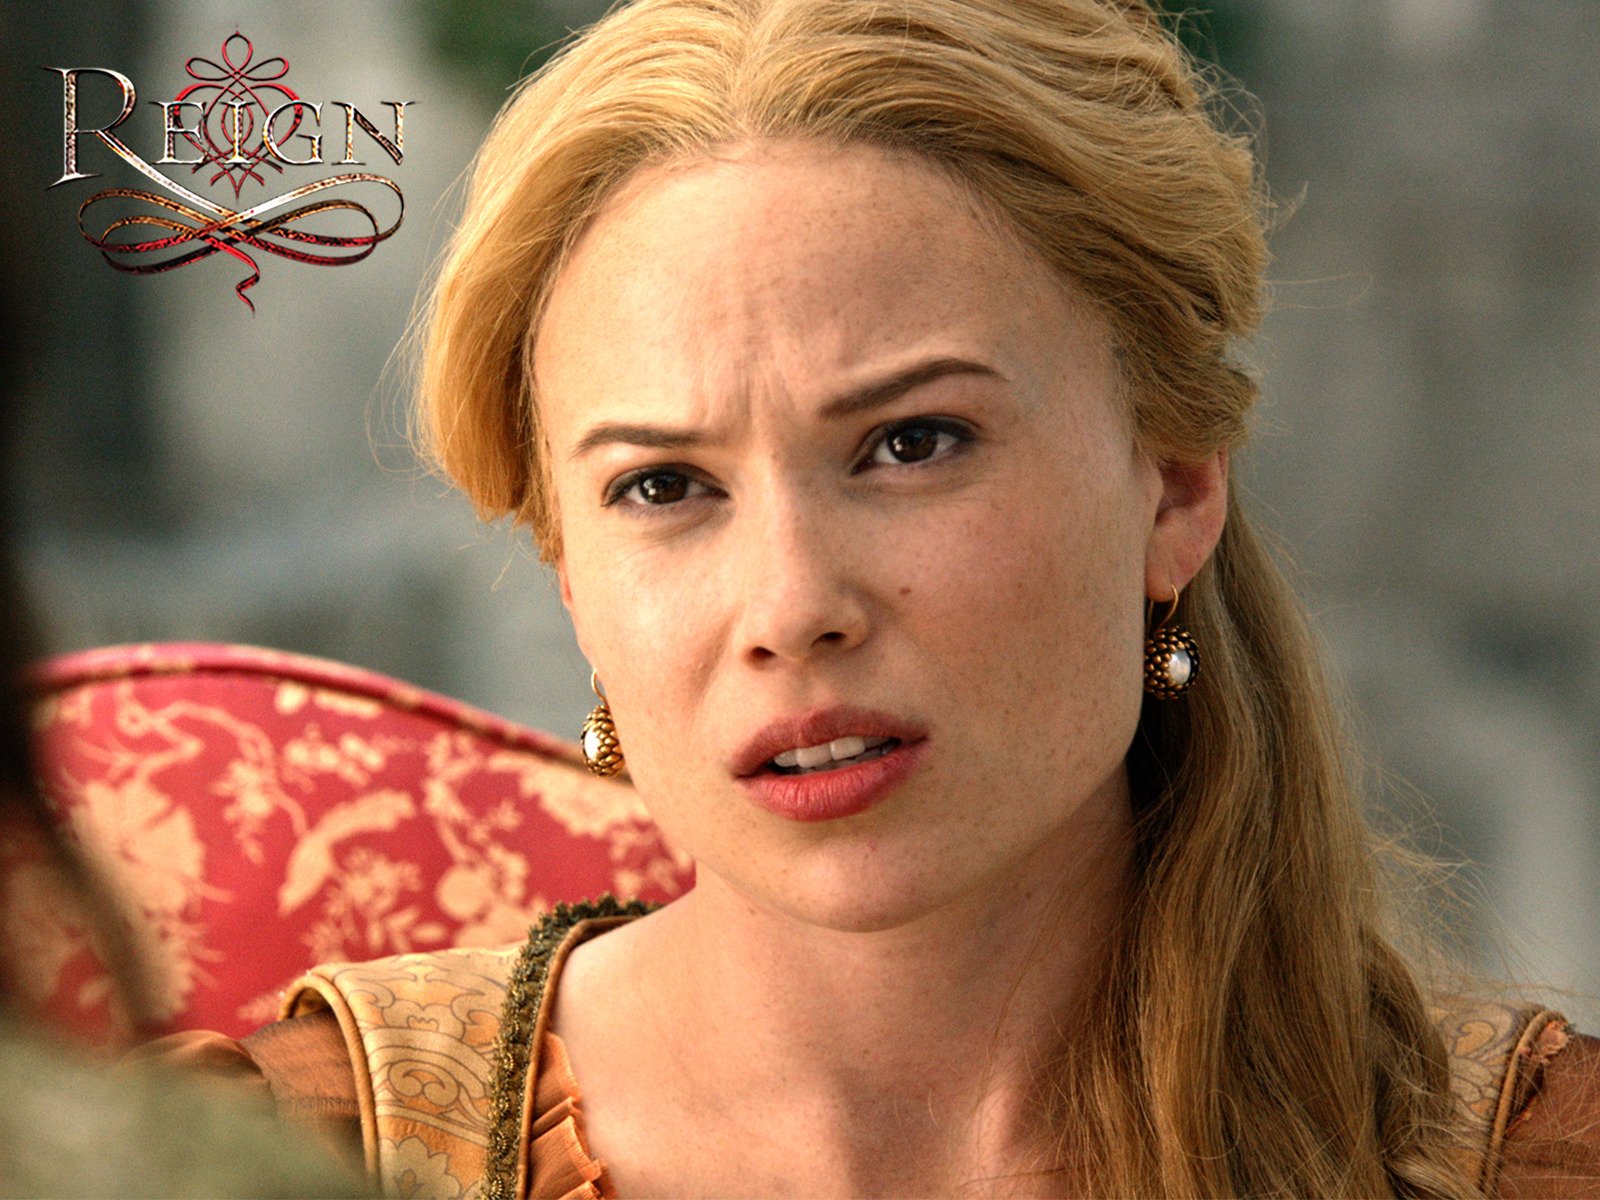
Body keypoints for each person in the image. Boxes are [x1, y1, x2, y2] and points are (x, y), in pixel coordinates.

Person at [150, 0, 1600, 1196]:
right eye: (665, 485)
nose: (792, 604)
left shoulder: (1527, 1159)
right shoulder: (294, 1158)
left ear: (1174, 486)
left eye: (913, 443)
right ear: (569, 574)